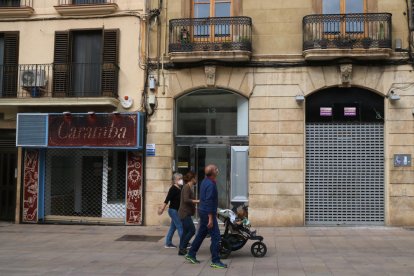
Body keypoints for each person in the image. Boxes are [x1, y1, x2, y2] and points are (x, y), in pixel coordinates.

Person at [185, 164, 228, 269]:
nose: (218, 170)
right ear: (213, 172)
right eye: (216, 169)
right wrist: (210, 218)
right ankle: (215, 260)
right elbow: (208, 201)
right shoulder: (211, 185)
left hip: (203, 211)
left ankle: (191, 254)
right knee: (216, 237)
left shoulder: (205, 181)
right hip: (208, 213)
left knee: (201, 234)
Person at [158, 172, 184, 248]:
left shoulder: (180, 188)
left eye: (181, 179)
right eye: (179, 179)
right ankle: (184, 242)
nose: (181, 180)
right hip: (173, 211)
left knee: (173, 227)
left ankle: (168, 243)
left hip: (176, 210)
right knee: (180, 226)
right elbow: (167, 200)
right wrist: (162, 209)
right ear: (175, 180)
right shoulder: (173, 188)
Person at [177, 171, 199, 256]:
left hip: (186, 213)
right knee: (192, 230)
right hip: (184, 213)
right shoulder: (186, 187)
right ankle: (182, 247)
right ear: (192, 178)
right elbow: (186, 200)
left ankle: (181, 250)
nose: (196, 179)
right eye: (195, 178)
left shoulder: (189, 187)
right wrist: (197, 201)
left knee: (186, 232)